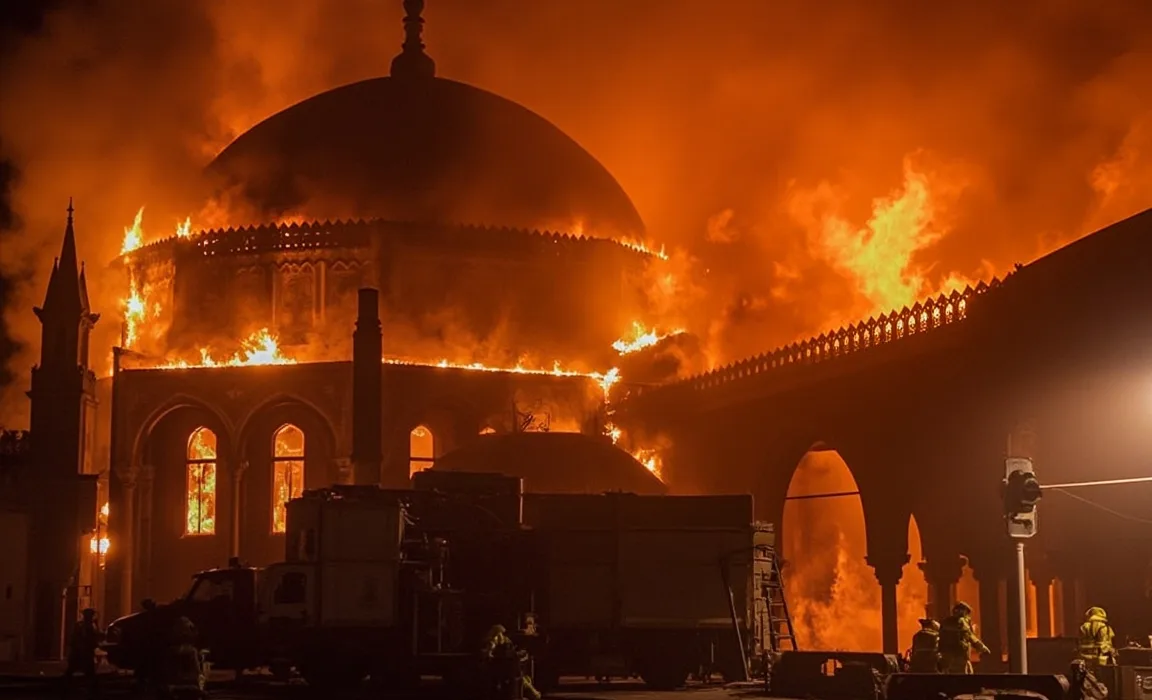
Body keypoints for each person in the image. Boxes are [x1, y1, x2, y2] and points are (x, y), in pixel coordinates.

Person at [481, 624, 541, 700]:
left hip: (507, 667)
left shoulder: (505, 640)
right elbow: (491, 650)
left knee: (522, 678)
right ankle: (533, 694)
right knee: (519, 678)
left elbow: (510, 650)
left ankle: (533, 694)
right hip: (503, 669)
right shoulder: (494, 641)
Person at [938, 602, 990, 674]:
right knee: (963, 676)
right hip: (960, 655)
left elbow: (940, 637)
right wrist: (982, 647)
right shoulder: (962, 622)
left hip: (946, 655)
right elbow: (970, 636)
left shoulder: (945, 622)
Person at [62, 608, 102, 698]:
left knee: (84, 672)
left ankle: (66, 689)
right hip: (82, 653)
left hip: (81, 653)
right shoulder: (85, 626)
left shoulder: (84, 625)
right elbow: (92, 639)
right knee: (87, 672)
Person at [162, 616, 206, 696]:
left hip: (173, 683)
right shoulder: (192, 651)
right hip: (190, 684)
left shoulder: (170, 650)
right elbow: (197, 671)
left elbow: (167, 669)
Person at [1078, 606, 1117, 674]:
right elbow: (1103, 645)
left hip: (1083, 660)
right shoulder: (1103, 627)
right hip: (1101, 662)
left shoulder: (1083, 627)